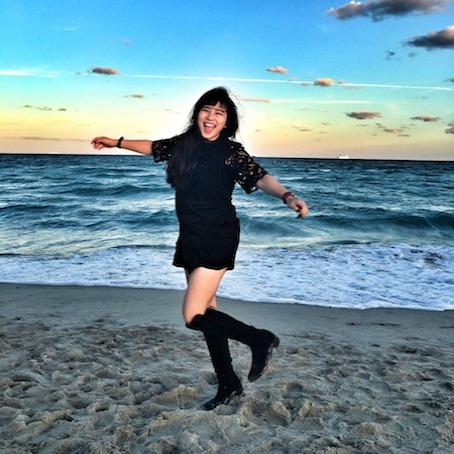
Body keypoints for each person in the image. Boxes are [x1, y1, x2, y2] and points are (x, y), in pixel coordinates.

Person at [91, 87, 308, 411]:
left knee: (193, 315)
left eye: (219, 113)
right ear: (198, 114)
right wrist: (116, 142)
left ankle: (259, 339)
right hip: (191, 235)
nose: (211, 117)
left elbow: (260, 177)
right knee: (209, 315)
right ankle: (228, 383)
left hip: (217, 234)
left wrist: (287, 196)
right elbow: (151, 146)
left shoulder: (230, 152)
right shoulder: (183, 146)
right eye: (207, 110)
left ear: (226, 122)